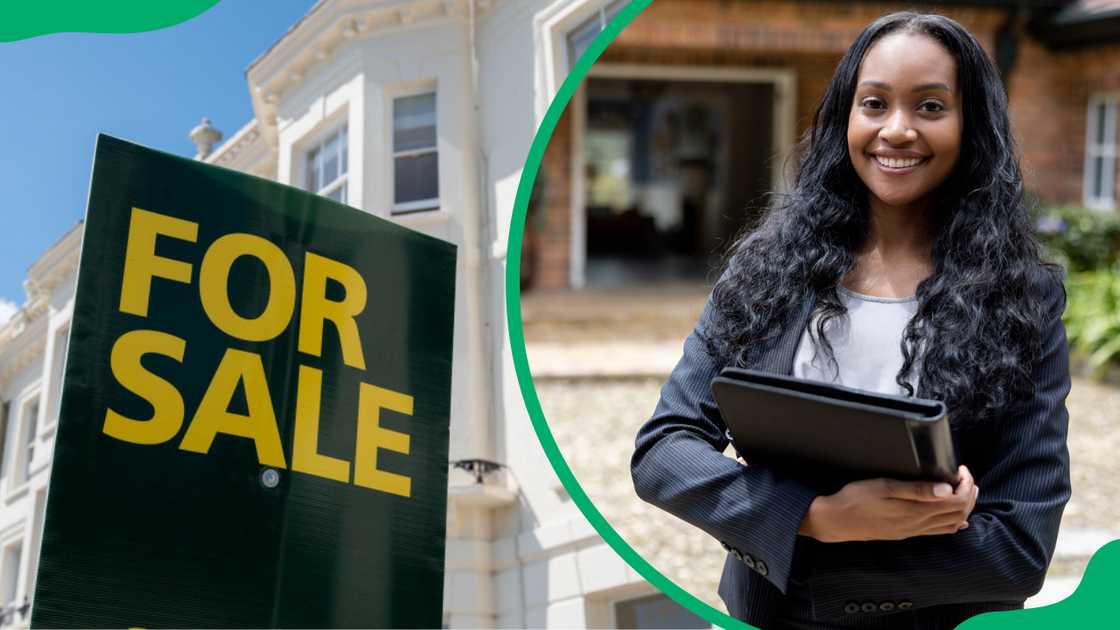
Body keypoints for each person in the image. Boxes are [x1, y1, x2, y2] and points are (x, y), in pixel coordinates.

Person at [630, 11, 1070, 630]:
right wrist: (812, 517)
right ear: (846, 119)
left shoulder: (1024, 299)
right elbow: (663, 451)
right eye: (874, 103)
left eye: (930, 107)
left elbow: (1021, 546)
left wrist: (825, 570)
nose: (897, 130)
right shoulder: (767, 271)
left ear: (972, 128)